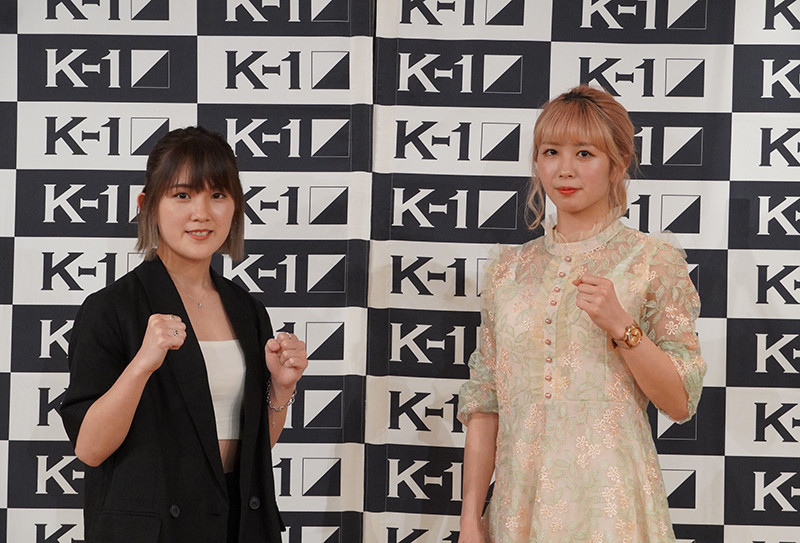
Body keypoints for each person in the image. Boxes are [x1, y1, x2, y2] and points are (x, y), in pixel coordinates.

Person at [457, 85, 706, 542]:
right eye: (551, 152)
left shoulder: (652, 261)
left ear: (618, 163)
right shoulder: (509, 271)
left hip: (613, 510)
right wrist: (470, 517)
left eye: (585, 153)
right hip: (517, 507)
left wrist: (623, 327)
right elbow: (485, 402)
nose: (565, 169)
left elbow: (680, 402)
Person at [59, 126, 307, 543]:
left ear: (236, 206)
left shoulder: (248, 311)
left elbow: (252, 452)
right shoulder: (111, 309)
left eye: (218, 195)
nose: (202, 213)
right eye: (182, 195)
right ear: (148, 205)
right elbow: (90, 449)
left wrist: (282, 389)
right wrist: (142, 365)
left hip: (238, 526)